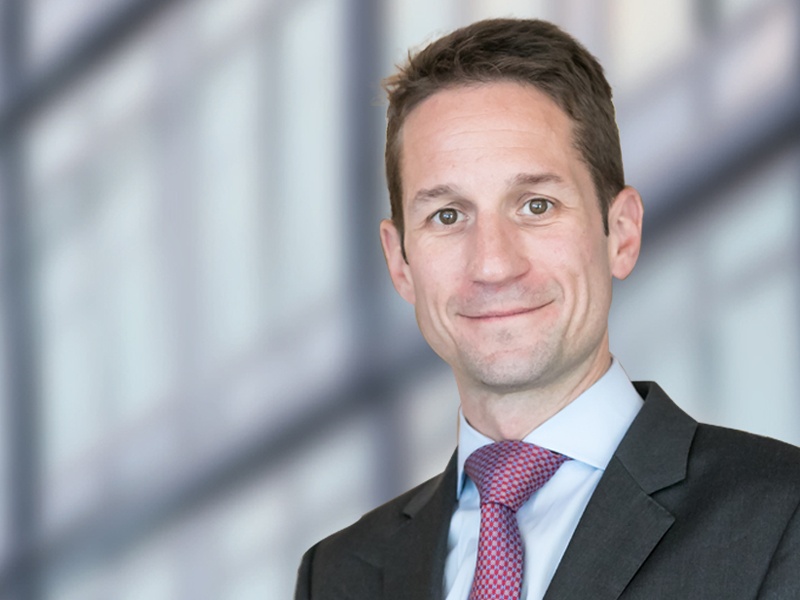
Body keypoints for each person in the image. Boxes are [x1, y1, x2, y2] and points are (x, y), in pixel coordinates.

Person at [295, 18, 800, 600]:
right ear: (400, 261)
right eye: (447, 216)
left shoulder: (780, 516)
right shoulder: (338, 574)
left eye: (536, 205)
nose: (493, 264)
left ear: (621, 232)